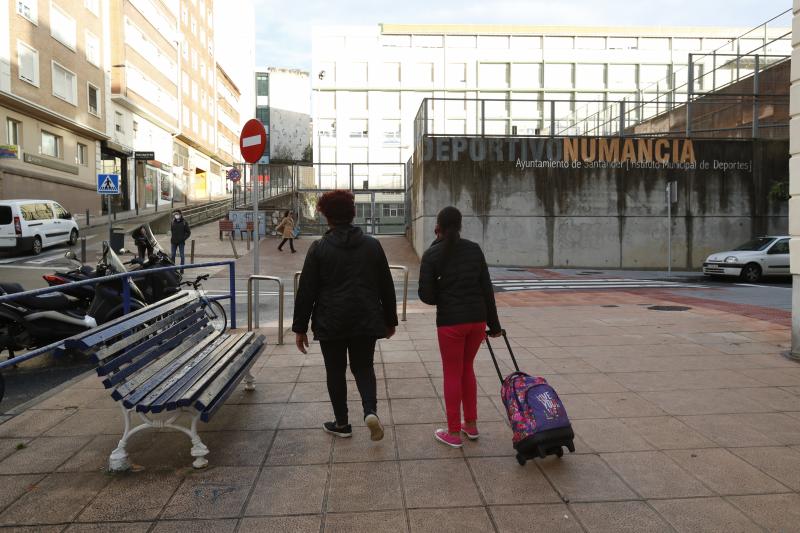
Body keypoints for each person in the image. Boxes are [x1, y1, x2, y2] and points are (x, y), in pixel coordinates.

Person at [293, 190, 397, 441]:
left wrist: (300, 327)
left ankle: (341, 423)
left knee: (335, 371)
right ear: (352, 214)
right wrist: (390, 320)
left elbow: (307, 290)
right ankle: (370, 411)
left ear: (326, 216)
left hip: (331, 320)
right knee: (363, 367)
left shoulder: (319, 248)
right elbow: (386, 284)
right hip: (366, 317)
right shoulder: (372, 245)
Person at [418, 206, 502, 448]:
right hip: (477, 320)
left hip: (451, 323)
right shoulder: (474, 250)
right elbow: (487, 290)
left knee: (452, 372)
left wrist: (444, 295)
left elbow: (426, 295)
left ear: (438, 228)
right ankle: (471, 425)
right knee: (467, 368)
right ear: (460, 225)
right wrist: (494, 326)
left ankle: (453, 432)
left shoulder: (432, 255)